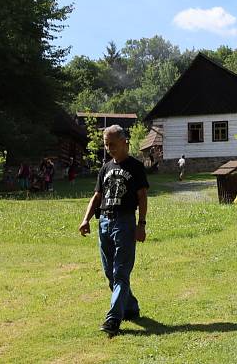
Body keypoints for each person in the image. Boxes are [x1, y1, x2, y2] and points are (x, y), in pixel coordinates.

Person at [79, 125, 149, 337]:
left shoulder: (136, 167)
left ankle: (113, 319)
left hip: (125, 223)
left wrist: (141, 224)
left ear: (124, 142)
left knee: (121, 271)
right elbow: (97, 197)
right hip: (105, 224)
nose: (109, 149)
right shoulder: (106, 167)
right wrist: (86, 219)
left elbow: (142, 197)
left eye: (113, 144)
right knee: (110, 272)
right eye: (106, 145)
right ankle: (131, 307)